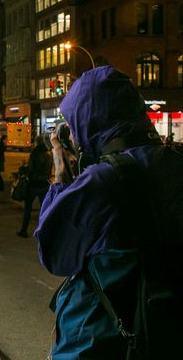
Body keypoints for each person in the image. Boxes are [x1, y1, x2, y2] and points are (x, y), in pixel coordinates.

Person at [34, 66, 183, 359]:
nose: (72, 135)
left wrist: (61, 179)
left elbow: (55, 254)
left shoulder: (104, 181)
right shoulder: (176, 163)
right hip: (167, 335)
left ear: (92, 119)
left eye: (73, 124)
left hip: (99, 342)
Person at [16, 136, 51, 238]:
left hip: (33, 184)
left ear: (37, 143)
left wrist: (23, 167)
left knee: (28, 208)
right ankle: (45, 232)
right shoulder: (48, 155)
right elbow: (49, 171)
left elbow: (30, 170)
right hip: (44, 184)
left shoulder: (34, 154)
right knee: (44, 209)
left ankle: (24, 230)